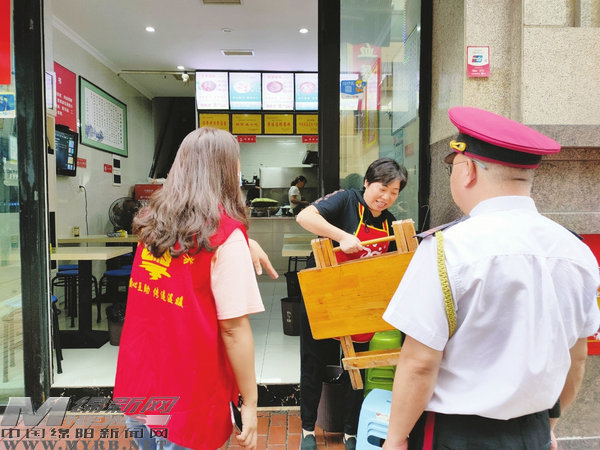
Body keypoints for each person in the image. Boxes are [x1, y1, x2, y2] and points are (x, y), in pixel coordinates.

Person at [382, 106, 600, 449]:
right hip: (533, 432)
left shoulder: (446, 249)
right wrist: (547, 427)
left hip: (457, 435)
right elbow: (577, 356)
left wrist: (395, 439)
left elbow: (420, 362)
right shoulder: (576, 250)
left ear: (468, 170)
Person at [113, 127, 276, 450]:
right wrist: (250, 401)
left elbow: (188, 246)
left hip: (140, 384)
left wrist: (244, 241)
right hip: (189, 395)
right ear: (227, 170)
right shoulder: (225, 236)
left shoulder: (151, 222)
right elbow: (233, 330)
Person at [296, 157, 408, 450]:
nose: (386, 197)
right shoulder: (346, 200)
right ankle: (307, 429)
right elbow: (305, 217)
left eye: (394, 192)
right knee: (313, 361)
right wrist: (343, 236)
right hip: (323, 297)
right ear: (367, 183)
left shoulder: (390, 223)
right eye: (382, 188)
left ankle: (350, 431)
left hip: (359, 304)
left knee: (355, 368)